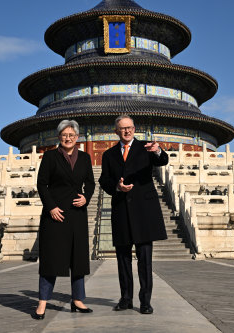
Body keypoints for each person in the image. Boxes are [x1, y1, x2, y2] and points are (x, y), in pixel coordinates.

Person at [99, 115, 169, 314]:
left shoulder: (146, 147)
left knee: (145, 260)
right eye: (122, 128)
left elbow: (162, 160)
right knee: (123, 259)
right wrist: (117, 187)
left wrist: (158, 150)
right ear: (116, 131)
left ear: (134, 128)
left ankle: (145, 301)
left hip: (144, 211)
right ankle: (125, 298)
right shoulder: (109, 154)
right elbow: (103, 180)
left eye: (129, 128)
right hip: (121, 210)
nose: (126, 131)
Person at [32, 120, 96, 320]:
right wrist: (50, 207)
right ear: (59, 136)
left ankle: (77, 299)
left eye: (72, 135)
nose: (68, 138)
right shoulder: (51, 156)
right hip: (55, 214)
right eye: (64, 135)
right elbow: (42, 184)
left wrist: (86, 197)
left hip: (77, 213)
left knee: (78, 258)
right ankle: (42, 302)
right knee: (51, 258)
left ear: (77, 137)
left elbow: (91, 183)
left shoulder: (85, 158)